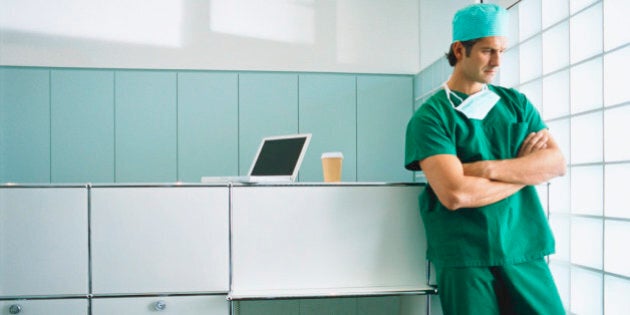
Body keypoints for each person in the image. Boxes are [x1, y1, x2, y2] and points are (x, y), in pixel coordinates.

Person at [404, 3, 566, 315]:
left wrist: (485, 168)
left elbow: (556, 163)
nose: (497, 61)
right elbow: (455, 194)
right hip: (466, 256)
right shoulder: (431, 117)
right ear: (459, 50)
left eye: (502, 50)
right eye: (487, 50)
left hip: (523, 248)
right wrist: (525, 172)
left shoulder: (516, 104)